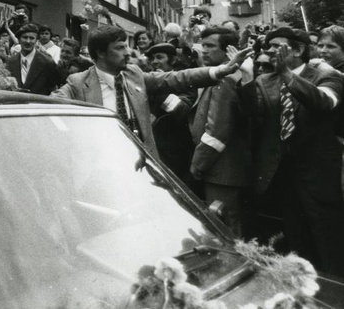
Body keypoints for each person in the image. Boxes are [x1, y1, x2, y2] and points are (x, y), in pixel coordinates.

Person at [52, 25, 250, 159]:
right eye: (120, 48)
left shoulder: (134, 74)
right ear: (101, 53)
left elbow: (178, 78)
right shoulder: (78, 83)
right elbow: (49, 105)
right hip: (102, 164)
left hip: (141, 163)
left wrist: (219, 71)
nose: (128, 52)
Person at [239, 27, 344, 275]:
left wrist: (287, 74)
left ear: (297, 50)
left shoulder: (327, 77)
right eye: (268, 47)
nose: (270, 52)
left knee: (330, 248)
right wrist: (245, 79)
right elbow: (252, 118)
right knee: (297, 249)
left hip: (319, 180)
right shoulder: (264, 80)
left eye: (277, 47)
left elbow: (323, 102)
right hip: (282, 180)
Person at [188, 28, 251, 236]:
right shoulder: (218, 75)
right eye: (202, 45)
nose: (204, 51)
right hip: (220, 169)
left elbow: (217, 131)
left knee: (225, 226)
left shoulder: (226, 80)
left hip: (221, 170)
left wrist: (198, 164)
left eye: (210, 46)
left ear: (228, 51)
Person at [143, 42, 196, 187]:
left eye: (159, 57)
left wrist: (161, 90)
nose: (155, 62)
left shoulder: (184, 81)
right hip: (153, 148)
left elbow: (183, 111)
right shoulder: (148, 80)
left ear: (172, 60)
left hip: (175, 151)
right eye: (152, 58)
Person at [6, 24, 59, 95]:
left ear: (37, 41)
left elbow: (53, 90)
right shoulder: (11, 61)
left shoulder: (47, 62)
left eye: (32, 38)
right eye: (25, 37)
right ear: (19, 40)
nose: (28, 41)